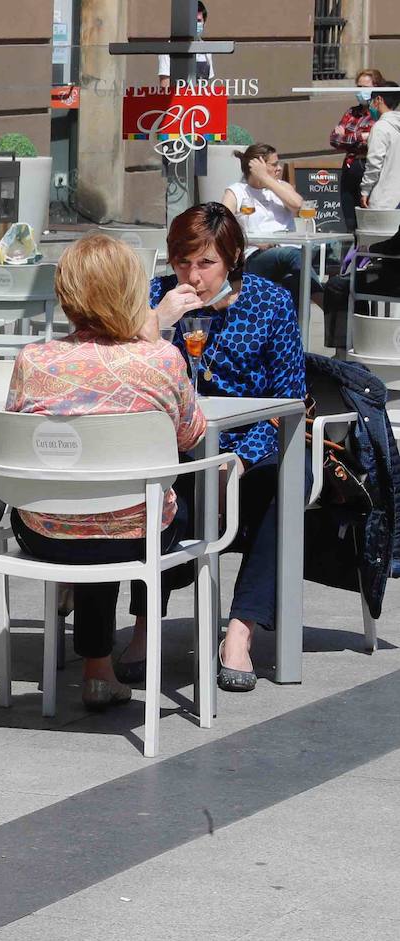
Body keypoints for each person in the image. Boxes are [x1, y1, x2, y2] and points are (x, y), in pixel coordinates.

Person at [5, 235, 206, 710]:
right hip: (137, 533)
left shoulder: (33, 360)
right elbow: (189, 436)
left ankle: (97, 667)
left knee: (87, 504)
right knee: (147, 504)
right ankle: (126, 647)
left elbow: (18, 432)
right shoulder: (161, 358)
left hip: (44, 530)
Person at [135, 203, 307, 693]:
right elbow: (113, 370)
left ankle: (240, 630)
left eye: (206, 263)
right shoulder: (154, 299)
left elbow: (288, 402)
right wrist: (159, 322)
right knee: (158, 495)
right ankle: (147, 623)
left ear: (233, 259)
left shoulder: (268, 303)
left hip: (250, 444)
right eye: (183, 261)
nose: (192, 275)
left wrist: (239, 461)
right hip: (172, 446)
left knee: (288, 485)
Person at [220, 143, 321, 307]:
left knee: (294, 282)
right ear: (256, 166)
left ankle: (299, 331)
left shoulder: (282, 188)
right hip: (256, 256)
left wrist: (267, 179)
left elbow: (297, 205)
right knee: (294, 255)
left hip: (290, 255)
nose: (279, 168)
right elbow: (222, 228)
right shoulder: (237, 191)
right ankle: (323, 300)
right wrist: (255, 241)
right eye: (274, 165)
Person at [331, 68, 385, 231]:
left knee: (368, 219)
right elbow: (334, 139)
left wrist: (348, 135)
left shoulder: (379, 114)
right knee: (350, 220)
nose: (360, 92)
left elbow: (373, 140)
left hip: (368, 167)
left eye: (364, 87)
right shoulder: (352, 112)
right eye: (358, 87)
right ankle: (352, 254)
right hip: (350, 167)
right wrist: (360, 136)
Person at [361, 81, 400, 211]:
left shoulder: (380, 128)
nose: (370, 106)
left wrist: (365, 191)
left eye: (371, 101)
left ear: (379, 99)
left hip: (385, 200)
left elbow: (374, 163)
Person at [157, 1, 212, 90]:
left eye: (198, 21)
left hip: (200, 102)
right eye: (192, 20)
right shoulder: (169, 47)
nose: (194, 24)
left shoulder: (206, 49)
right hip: (178, 101)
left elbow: (207, 85)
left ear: (204, 23)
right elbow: (165, 85)